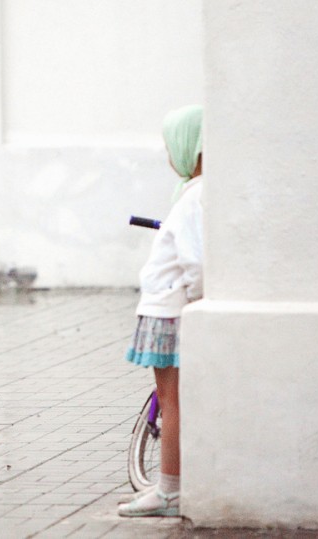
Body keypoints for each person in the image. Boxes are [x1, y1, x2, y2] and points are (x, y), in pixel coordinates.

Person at [118, 105, 203, 518]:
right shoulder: (202, 193)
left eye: (173, 147)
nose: (171, 157)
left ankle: (169, 489)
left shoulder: (194, 198)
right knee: (176, 399)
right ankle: (174, 484)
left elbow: (196, 262)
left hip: (168, 311)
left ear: (192, 147)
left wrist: (199, 299)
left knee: (171, 402)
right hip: (170, 308)